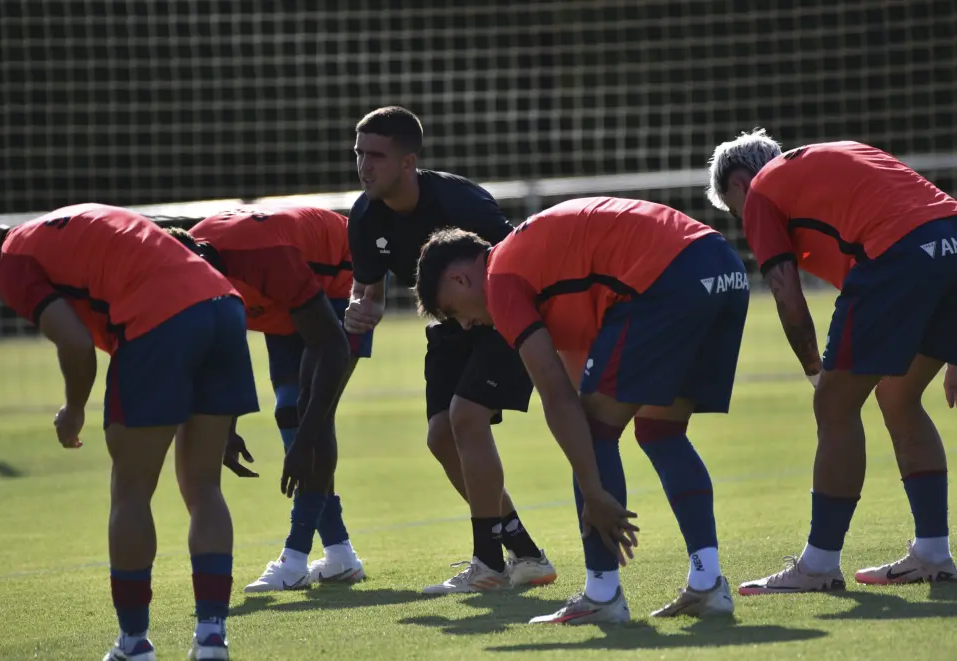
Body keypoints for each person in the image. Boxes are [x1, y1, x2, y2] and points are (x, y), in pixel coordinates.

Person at [414, 196, 746, 624]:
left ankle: (602, 593)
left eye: (454, 313)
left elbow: (556, 395)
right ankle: (707, 583)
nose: (465, 324)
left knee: (593, 433)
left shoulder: (500, 279)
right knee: (661, 432)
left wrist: (593, 491)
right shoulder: (546, 267)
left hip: (669, 275)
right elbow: (574, 385)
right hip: (722, 265)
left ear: (461, 280)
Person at [0, 198, 260, 661]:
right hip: (223, 307)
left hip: (159, 320)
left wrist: (74, 408)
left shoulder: (12, 263)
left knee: (131, 491)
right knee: (203, 487)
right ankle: (210, 638)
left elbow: (76, 341)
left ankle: (134, 643)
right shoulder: (50, 228)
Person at [707, 130, 957, 594]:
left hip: (897, 255)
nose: (747, 223)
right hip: (951, 239)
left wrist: (815, 375)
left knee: (835, 406)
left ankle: (819, 564)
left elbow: (787, 296)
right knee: (899, 396)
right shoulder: (835, 159)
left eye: (736, 213)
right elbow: (931, 221)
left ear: (740, 184)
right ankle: (933, 553)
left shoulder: (761, 191)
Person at [343, 106, 556, 593]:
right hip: (447, 329)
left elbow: (515, 264)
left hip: (501, 316)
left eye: (375, 155)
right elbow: (367, 293)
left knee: (465, 417)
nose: (363, 165)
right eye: (358, 154)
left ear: (407, 161)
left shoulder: (461, 201)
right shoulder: (364, 216)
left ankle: (487, 563)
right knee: (441, 437)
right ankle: (523, 552)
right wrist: (361, 310)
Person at [167, 203, 371, 591]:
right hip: (287, 299)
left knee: (310, 411)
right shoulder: (190, 267)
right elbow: (223, 345)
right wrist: (227, 425)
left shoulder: (265, 261)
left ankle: (294, 559)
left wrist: (305, 442)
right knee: (289, 413)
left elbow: (331, 347)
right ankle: (340, 555)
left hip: (340, 280)